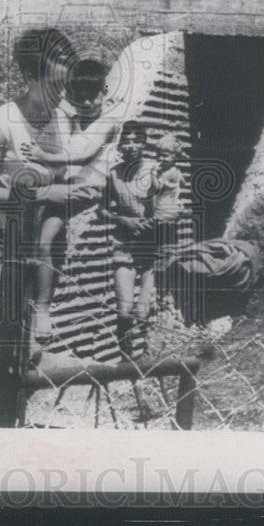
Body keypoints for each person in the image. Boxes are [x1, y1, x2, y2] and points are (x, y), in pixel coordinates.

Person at [0, 29, 90, 332]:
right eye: (56, 81)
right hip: (2, 238)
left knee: (40, 337)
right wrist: (44, 193)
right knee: (16, 320)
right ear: (29, 73)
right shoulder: (2, 122)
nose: (64, 87)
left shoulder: (67, 118)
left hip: (47, 240)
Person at [19, 58, 117, 346]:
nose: (87, 101)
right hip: (65, 185)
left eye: (93, 93)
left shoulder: (110, 120)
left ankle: (43, 310)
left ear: (104, 90)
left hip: (87, 188)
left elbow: (80, 153)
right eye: (79, 93)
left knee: (46, 238)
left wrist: (44, 156)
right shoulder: (71, 115)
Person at [97, 121, 157, 359]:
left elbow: (171, 207)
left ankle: (147, 354)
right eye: (126, 141)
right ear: (120, 146)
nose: (131, 146)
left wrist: (152, 221)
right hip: (123, 245)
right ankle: (125, 359)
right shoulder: (114, 175)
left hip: (151, 247)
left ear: (144, 143)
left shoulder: (155, 170)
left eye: (136, 140)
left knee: (142, 313)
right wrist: (124, 221)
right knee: (124, 312)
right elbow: (100, 210)